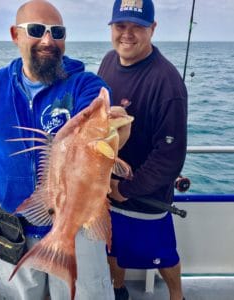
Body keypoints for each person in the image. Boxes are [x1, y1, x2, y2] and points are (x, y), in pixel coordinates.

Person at [0, 1, 115, 299]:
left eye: (57, 32)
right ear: (15, 34)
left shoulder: (84, 84)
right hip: (14, 228)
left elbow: (105, 123)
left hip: (78, 229)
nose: (48, 40)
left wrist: (115, 129)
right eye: (36, 30)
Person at [98, 1, 188, 300]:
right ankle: (118, 288)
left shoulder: (166, 82)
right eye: (120, 26)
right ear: (111, 28)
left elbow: (170, 156)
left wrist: (128, 188)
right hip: (107, 186)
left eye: (137, 26)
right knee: (112, 245)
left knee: (163, 252)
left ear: (153, 28)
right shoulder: (108, 61)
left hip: (145, 192)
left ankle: (177, 294)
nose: (127, 34)